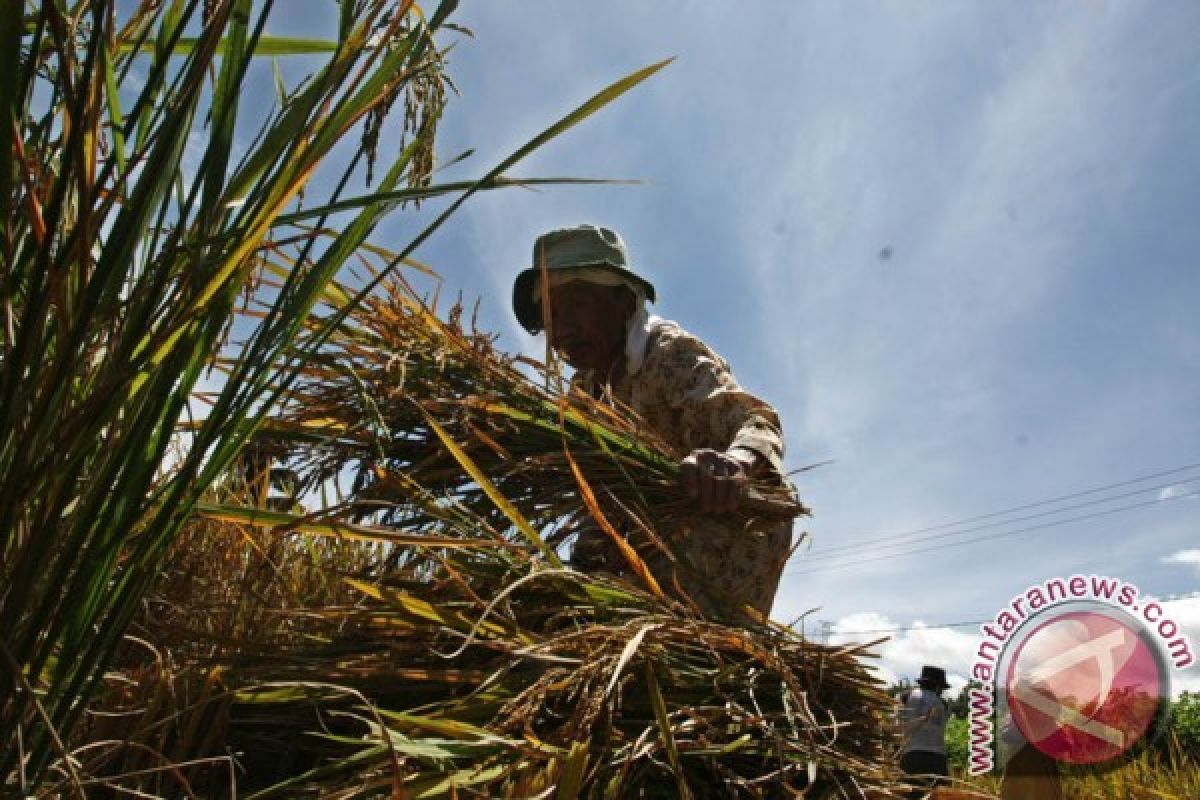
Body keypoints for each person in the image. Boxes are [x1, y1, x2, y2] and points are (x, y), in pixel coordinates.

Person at [511, 224, 793, 618]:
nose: (562, 328)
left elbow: (755, 420)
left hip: (726, 528)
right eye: (551, 315)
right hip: (647, 540)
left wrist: (736, 463)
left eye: (576, 305)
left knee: (641, 624)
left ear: (624, 302)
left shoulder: (667, 352)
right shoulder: (583, 396)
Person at [897, 665, 951, 797]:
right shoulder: (943, 704)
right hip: (938, 759)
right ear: (938, 686)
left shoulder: (905, 697)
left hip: (913, 757)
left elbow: (898, 725)